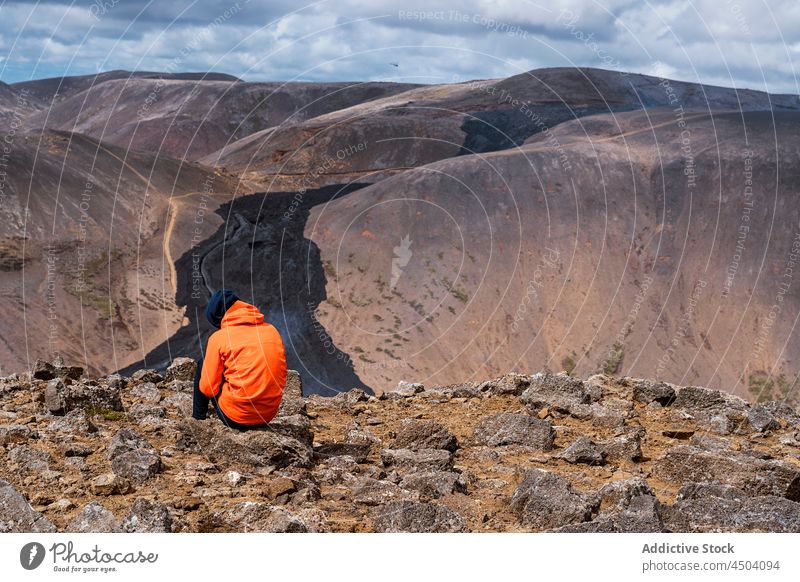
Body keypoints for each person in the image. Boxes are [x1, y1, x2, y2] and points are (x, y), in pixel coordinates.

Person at [192, 289, 287, 430]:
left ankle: (198, 420)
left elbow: (208, 389)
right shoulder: (271, 330)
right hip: (267, 415)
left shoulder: (219, 338)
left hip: (237, 417)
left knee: (203, 363)